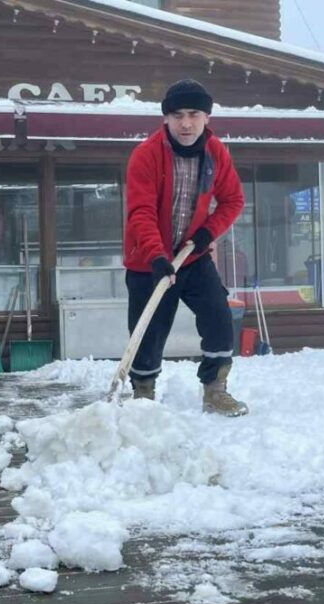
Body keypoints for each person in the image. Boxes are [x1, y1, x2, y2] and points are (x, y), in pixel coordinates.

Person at [123, 79, 248, 416]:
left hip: (192, 257)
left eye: (194, 114)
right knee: (148, 330)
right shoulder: (146, 155)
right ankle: (143, 396)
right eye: (177, 115)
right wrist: (157, 256)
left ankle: (215, 389)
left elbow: (233, 199)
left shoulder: (215, 153)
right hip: (149, 262)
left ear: (207, 117)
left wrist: (208, 232)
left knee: (219, 317)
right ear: (166, 119)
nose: (186, 123)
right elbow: (141, 212)